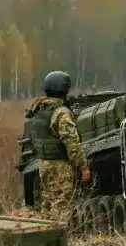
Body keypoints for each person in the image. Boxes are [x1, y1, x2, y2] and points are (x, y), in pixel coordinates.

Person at [21, 71, 90, 225]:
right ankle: (61, 242)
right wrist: (84, 167)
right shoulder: (61, 112)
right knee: (63, 205)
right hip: (60, 165)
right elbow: (72, 143)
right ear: (64, 90)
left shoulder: (40, 110)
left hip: (44, 164)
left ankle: (45, 238)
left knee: (47, 204)